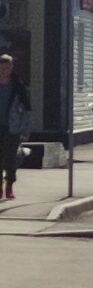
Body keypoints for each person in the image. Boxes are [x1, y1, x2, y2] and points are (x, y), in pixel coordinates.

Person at [0, 54, 30, 201]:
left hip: (12, 127)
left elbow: (27, 108)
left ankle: (9, 185)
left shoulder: (17, 85)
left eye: (7, 68)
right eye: (1, 68)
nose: (4, 71)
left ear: (11, 68)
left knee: (10, 158)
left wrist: (25, 128)